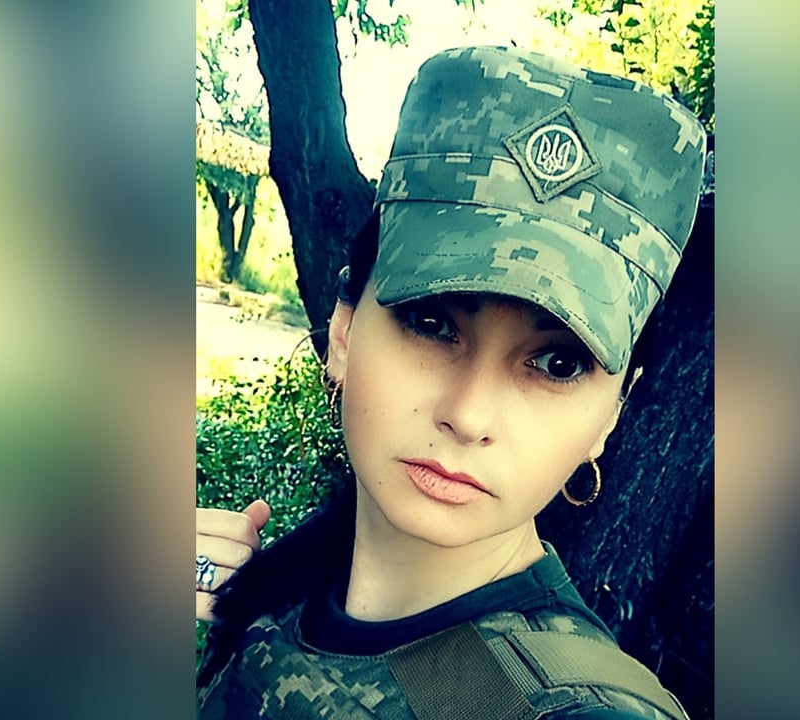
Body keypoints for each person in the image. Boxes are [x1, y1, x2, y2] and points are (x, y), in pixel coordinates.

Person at [196, 45, 707, 719]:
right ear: (344, 332)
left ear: (612, 415)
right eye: (433, 323)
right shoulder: (282, 593)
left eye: (558, 364)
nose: (468, 415)